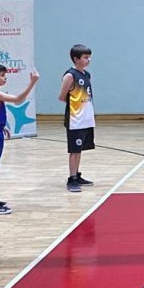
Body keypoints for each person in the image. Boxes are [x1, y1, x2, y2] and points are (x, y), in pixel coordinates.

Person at [0, 63, 40, 215]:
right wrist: (32, 83)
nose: (5, 78)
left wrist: (1, 125)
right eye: (2, 75)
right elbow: (18, 100)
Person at [58, 44, 95, 192]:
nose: (88, 60)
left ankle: (77, 174)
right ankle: (71, 179)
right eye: (85, 57)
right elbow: (62, 97)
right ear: (76, 59)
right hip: (75, 119)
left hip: (86, 118)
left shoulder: (87, 74)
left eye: (89, 57)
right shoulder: (70, 75)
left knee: (79, 149)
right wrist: (76, 106)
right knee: (74, 150)